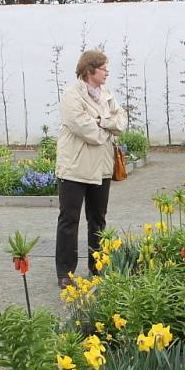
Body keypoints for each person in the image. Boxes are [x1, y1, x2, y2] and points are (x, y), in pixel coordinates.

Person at [55, 50, 127, 288]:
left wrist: (103, 122)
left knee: (98, 219)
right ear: (90, 70)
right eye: (104, 68)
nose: (107, 72)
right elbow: (85, 129)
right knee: (69, 220)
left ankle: (97, 265)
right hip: (74, 167)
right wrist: (105, 126)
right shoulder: (71, 95)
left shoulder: (107, 93)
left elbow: (121, 121)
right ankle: (65, 273)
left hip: (102, 168)